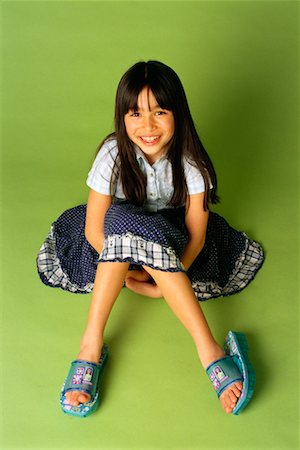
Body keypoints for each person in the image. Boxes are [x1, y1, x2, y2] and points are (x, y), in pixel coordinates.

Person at [37, 61, 264, 418]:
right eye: (136, 113)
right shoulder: (112, 154)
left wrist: (162, 283)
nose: (148, 126)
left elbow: (197, 238)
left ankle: (208, 349)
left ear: (178, 114)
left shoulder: (191, 163)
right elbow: (95, 231)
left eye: (160, 112)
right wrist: (129, 272)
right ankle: (90, 345)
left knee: (151, 230)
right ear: (122, 117)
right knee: (122, 218)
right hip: (112, 245)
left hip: (172, 240)